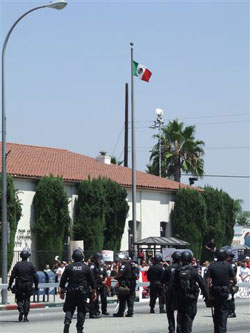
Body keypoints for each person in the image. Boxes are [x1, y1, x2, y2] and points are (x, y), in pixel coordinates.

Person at [59, 248, 96, 333]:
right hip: (83, 292)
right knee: (82, 310)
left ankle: (67, 322)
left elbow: (63, 280)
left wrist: (61, 292)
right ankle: (79, 328)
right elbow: (92, 281)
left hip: (71, 291)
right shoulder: (86, 268)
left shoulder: (69, 267)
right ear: (82, 257)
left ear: (73, 257)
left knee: (69, 308)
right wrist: (94, 292)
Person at [174, 250, 208, 333]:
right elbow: (202, 284)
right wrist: (207, 296)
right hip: (191, 299)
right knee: (189, 318)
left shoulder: (177, 272)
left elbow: (172, 286)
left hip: (180, 299)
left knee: (180, 319)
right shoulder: (193, 271)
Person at [206, 248, 237, 333]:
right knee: (223, 314)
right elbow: (235, 280)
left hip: (215, 292)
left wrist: (209, 292)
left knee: (216, 312)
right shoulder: (228, 265)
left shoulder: (212, 266)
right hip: (225, 292)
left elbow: (208, 281)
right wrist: (232, 285)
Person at [8, 248, 38, 322]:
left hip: (19, 284)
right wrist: (36, 285)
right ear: (28, 256)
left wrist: (10, 285)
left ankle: (21, 309)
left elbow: (12, 276)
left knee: (19, 299)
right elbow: (36, 277)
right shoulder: (31, 265)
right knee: (27, 300)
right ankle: (25, 316)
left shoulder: (17, 265)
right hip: (28, 285)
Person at [161, 250, 181, 333]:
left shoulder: (168, 268)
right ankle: (179, 329)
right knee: (180, 311)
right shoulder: (181, 268)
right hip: (179, 292)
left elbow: (162, 280)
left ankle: (171, 329)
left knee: (170, 311)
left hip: (169, 291)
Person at [113, 252, 132, 317]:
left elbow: (120, 274)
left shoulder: (124, 265)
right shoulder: (128, 265)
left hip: (124, 285)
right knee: (128, 299)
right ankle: (129, 312)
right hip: (128, 284)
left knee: (122, 299)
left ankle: (121, 313)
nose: (120, 260)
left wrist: (115, 277)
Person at [89, 252, 103, 318]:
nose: (98, 260)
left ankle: (96, 312)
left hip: (97, 285)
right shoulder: (92, 265)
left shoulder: (97, 265)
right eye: (97, 258)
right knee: (93, 299)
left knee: (96, 299)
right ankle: (92, 313)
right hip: (93, 285)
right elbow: (91, 276)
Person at [225, 249, 237, 318]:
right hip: (229, 282)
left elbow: (232, 274)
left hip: (230, 282)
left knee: (230, 298)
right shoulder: (230, 264)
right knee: (229, 298)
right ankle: (229, 311)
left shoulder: (231, 265)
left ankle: (232, 312)